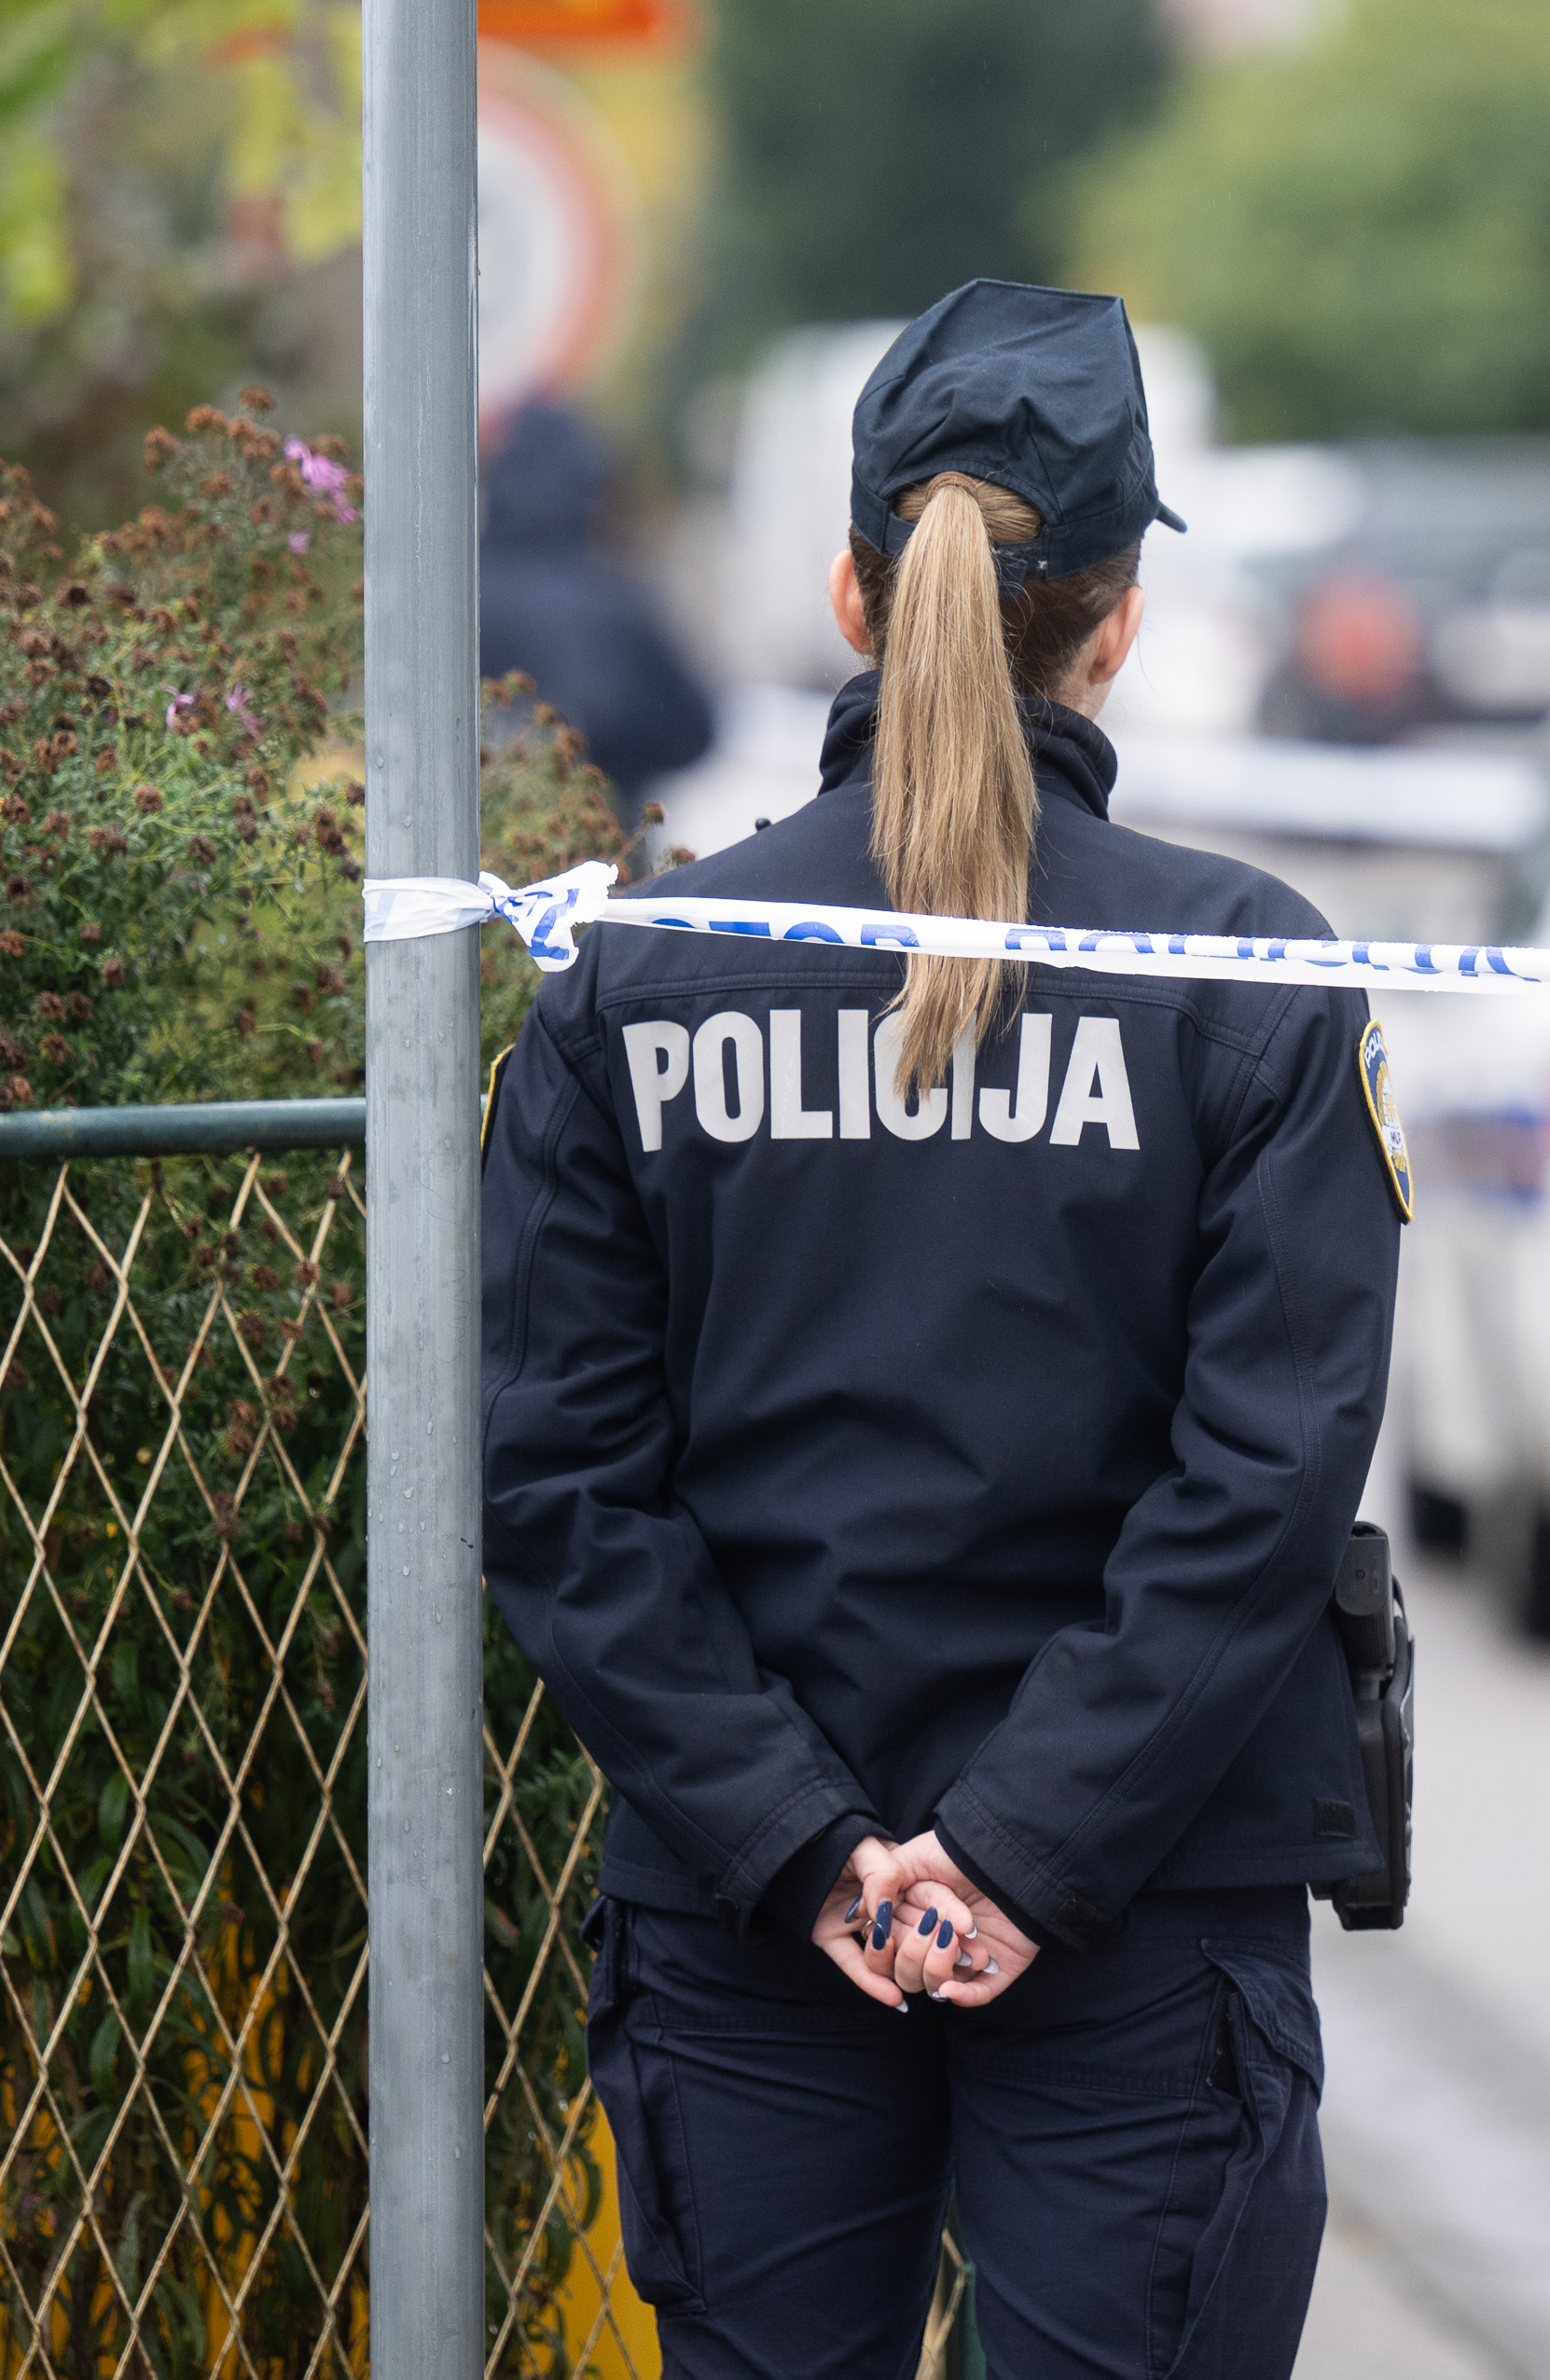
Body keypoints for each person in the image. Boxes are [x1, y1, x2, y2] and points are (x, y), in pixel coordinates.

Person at [478, 281, 1405, 2380]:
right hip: (1142, 1909)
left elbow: (557, 1483)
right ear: (1118, 624)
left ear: (851, 593)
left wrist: (808, 1845)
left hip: (747, 1922)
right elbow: (1264, 1483)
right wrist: (1022, 1848)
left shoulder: (640, 976)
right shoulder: (1247, 972)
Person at [478, 398, 716, 805]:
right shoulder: (614, 601)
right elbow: (695, 732)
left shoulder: (458, 596)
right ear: (587, 483)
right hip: (597, 829)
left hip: (469, 835)